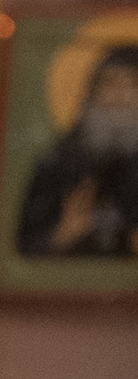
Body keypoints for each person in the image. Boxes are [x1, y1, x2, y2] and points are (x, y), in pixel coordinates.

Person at [16, 40, 138, 261]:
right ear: (91, 93)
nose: (121, 96)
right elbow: (21, 250)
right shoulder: (58, 161)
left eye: (132, 85)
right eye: (110, 84)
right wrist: (62, 235)